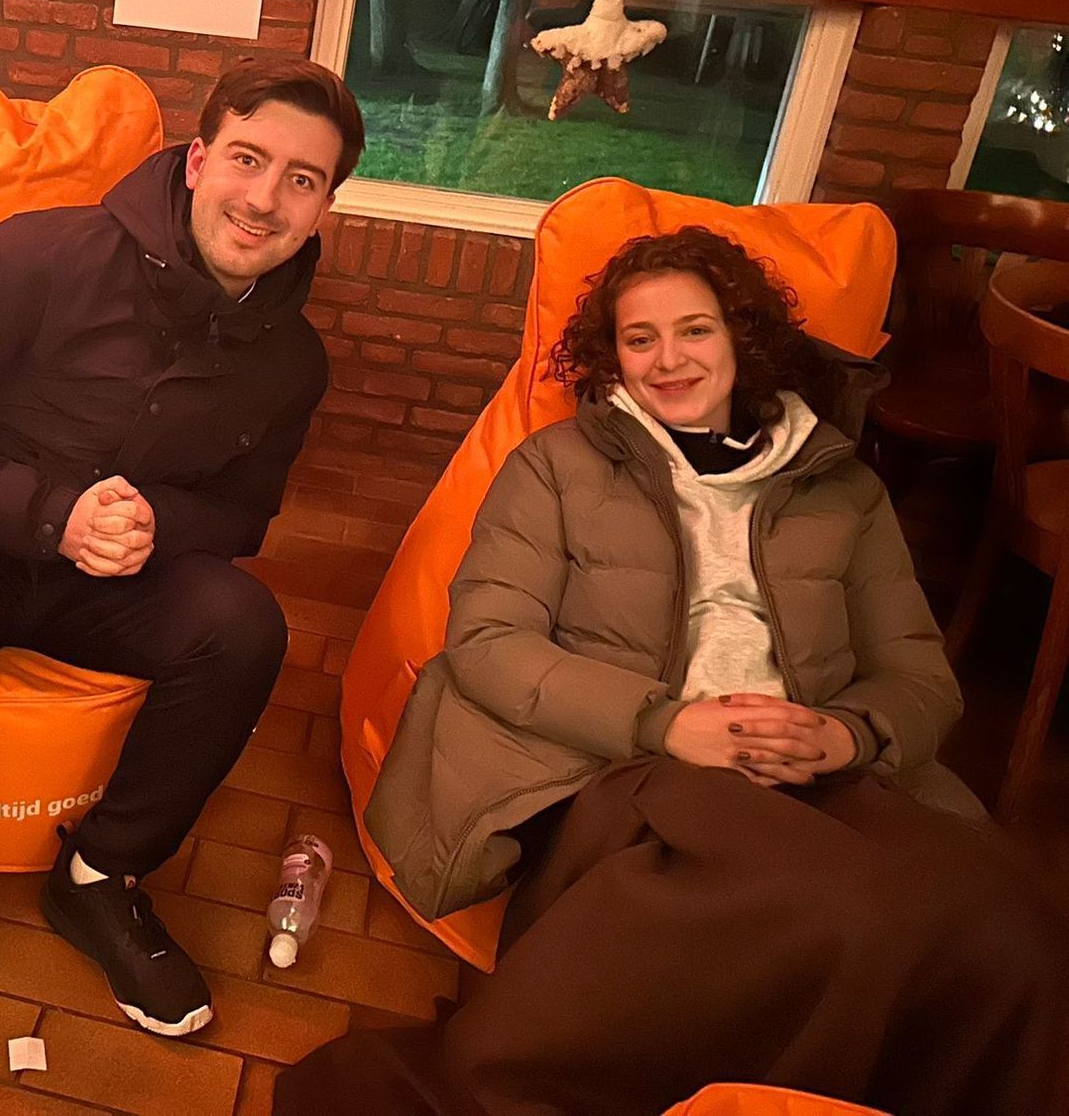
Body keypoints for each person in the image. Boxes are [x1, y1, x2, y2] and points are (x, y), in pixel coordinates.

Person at [281, 227, 1069, 1116]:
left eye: (694, 329)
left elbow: (919, 676)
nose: (668, 359)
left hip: (822, 771)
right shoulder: (558, 467)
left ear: (742, 336)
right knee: (837, 908)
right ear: (611, 356)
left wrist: (845, 734)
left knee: (1009, 927)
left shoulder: (844, 490)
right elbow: (491, 640)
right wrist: (669, 723)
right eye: (639, 337)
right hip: (632, 766)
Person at [0, 55, 363, 1061]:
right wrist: (53, 514)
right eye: (248, 159)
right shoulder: (42, 253)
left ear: (324, 205)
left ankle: (99, 877)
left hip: (107, 581)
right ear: (199, 160)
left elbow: (243, 515)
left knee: (244, 624)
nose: (265, 199)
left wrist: (154, 522)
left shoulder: (295, 360)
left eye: (303, 179)